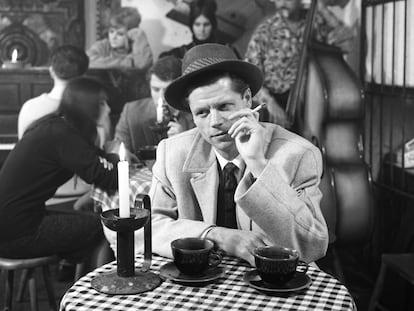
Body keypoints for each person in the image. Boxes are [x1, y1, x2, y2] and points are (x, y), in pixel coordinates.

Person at [132, 43, 329, 266]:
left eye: (224, 106)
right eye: (202, 113)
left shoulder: (298, 154)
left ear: (247, 99)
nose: (215, 122)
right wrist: (218, 236)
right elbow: (146, 229)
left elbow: (312, 245)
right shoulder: (173, 153)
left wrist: (258, 164)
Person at [0, 77, 119, 269]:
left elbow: (97, 160)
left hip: (14, 224)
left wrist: (111, 157)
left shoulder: (57, 126)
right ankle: (90, 289)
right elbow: (109, 178)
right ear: (86, 106)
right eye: (101, 103)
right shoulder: (62, 135)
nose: (108, 109)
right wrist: (116, 154)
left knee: (88, 219)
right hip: (15, 234)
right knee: (105, 226)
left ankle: (72, 267)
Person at [244, 0, 354, 127]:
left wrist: (322, 8)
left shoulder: (316, 20)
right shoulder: (264, 30)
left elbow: (347, 44)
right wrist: (270, 103)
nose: (283, 3)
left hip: (312, 102)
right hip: (275, 103)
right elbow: (250, 75)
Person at [114, 55, 193, 155]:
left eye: (167, 90)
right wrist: (122, 153)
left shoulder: (196, 114)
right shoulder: (131, 112)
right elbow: (117, 145)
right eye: (155, 89)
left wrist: (185, 142)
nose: (161, 98)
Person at [18, 45, 89, 139]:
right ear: (84, 75)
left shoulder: (29, 106)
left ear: (51, 71)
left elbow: (22, 146)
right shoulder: (91, 108)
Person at [160, 0, 240, 59]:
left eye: (206, 24)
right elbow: (162, 59)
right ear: (192, 26)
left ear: (213, 25)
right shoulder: (184, 52)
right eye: (197, 24)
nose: (202, 29)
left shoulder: (227, 49)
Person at [87, 6, 153, 70]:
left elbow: (143, 65)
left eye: (120, 34)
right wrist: (129, 63)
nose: (113, 37)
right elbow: (87, 61)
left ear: (131, 34)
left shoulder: (137, 47)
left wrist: (139, 35)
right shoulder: (103, 45)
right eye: (111, 31)